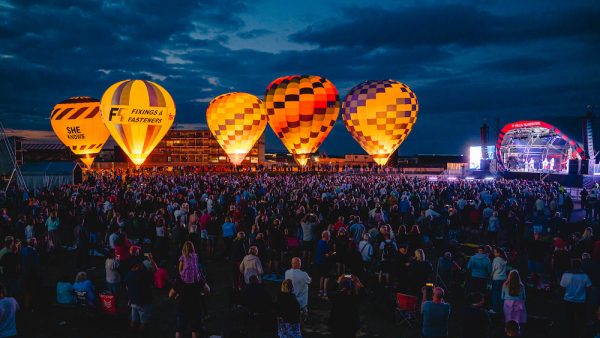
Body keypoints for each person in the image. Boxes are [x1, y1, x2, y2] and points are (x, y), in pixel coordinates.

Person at [560, 258, 592, 336]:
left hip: (568, 300)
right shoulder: (584, 276)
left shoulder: (566, 274)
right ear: (580, 266)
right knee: (581, 318)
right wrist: (587, 299)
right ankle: (581, 334)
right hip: (580, 300)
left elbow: (562, 287)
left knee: (569, 318)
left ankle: (570, 333)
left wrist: (562, 298)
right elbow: (588, 287)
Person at [125, 259, 154, 334]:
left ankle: (131, 333)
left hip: (133, 301)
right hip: (143, 302)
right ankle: (142, 334)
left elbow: (127, 288)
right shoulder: (143, 275)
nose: (142, 265)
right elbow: (152, 281)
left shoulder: (128, 274)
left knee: (133, 320)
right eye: (141, 264)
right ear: (137, 266)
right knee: (144, 322)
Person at [315, 230, 333, 299]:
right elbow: (327, 255)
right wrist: (332, 253)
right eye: (329, 236)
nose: (330, 237)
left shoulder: (319, 242)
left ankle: (320, 291)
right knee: (327, 277)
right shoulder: (325, 244)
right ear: (327, 236)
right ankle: (325, 294)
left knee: (321, 276)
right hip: (324, 263)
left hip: (318, 262)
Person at [491, 247, 508, 314]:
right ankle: (502, 310)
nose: (494, 253)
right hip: (503, 279)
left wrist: (491, 277)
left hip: (496, 279)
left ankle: (494, 309)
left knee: (495, 294)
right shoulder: (504, 260)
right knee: (501, 294)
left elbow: (494, 270)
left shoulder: (496, 259)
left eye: (495, 252)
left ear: (499, 253)